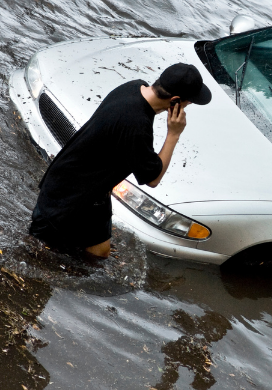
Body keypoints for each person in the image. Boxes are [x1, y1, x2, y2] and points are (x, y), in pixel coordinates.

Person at [28, 63, 212, 257]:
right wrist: (174, 134)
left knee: (99, 254)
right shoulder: (136, 123)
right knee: (39, 253)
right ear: (175, 101)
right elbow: (153, 178)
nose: (188, 106)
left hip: (91, 191)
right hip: (68, 199)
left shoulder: (133, 87)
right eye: (188, 102)